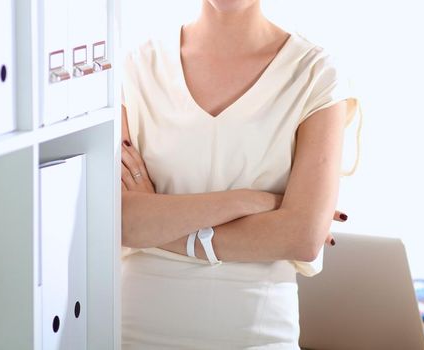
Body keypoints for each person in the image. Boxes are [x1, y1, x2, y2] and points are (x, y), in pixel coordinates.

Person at [120, 0, 358, 348]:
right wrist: (252, 202)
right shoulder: (137, 67)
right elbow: (121, 222)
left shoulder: (315, 73)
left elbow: (303, 238)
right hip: (136, 332)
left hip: (257, 336)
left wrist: (154, 221)